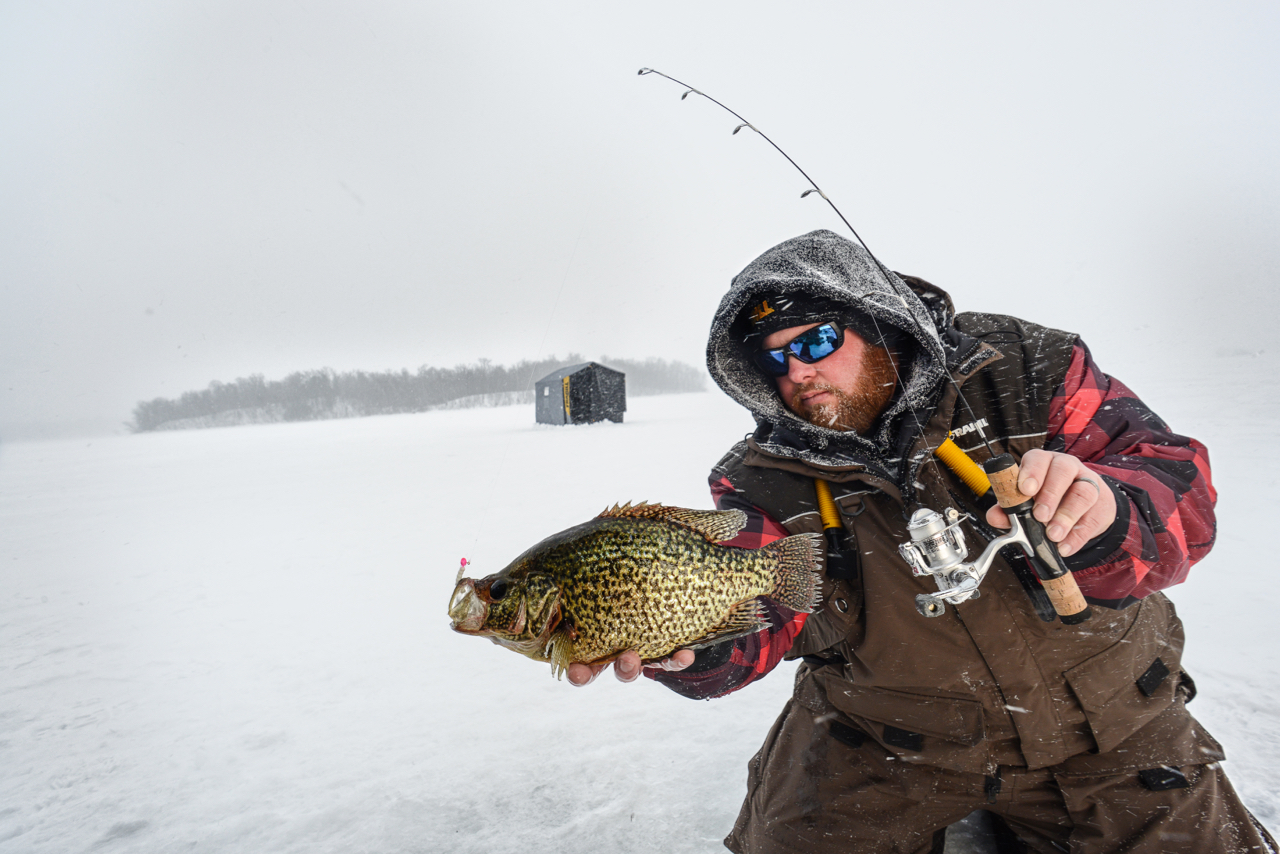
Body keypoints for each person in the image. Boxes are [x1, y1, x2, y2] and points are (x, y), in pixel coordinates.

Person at [568, 229, 1276, 854]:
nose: (798, 373)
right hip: (883, 741)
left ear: (877, 323)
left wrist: (1111, 513)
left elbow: (1181, 492)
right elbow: (764, 613)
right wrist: (696, 649)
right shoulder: (759, 480)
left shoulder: (1028, 366)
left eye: (815, 342)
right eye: (773, 363)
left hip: (1112, 729)